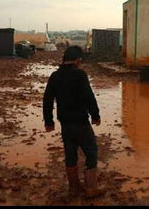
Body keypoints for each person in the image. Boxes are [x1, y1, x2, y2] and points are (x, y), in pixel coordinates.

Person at [42, 45, 105, 198]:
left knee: (70, 154)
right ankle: (91, 188)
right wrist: (95, 115)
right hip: (81, 123)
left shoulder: (55, 76)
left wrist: (49, 121)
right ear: (78, 61)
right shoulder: (80, 75)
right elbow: (89, 97)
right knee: (91, 151)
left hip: (66, 125)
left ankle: (74, 188)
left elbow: (47, 100)